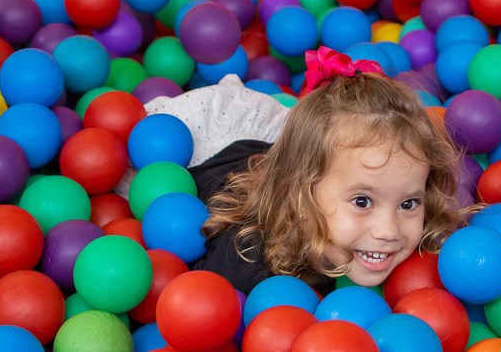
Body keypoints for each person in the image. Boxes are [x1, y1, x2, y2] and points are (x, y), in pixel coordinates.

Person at [179, 48, 467, 295]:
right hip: (205, 135)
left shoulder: (419, 259)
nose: (389, 230)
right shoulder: (246, 262)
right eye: (362, 202)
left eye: (408, 204)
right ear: (301, 198)